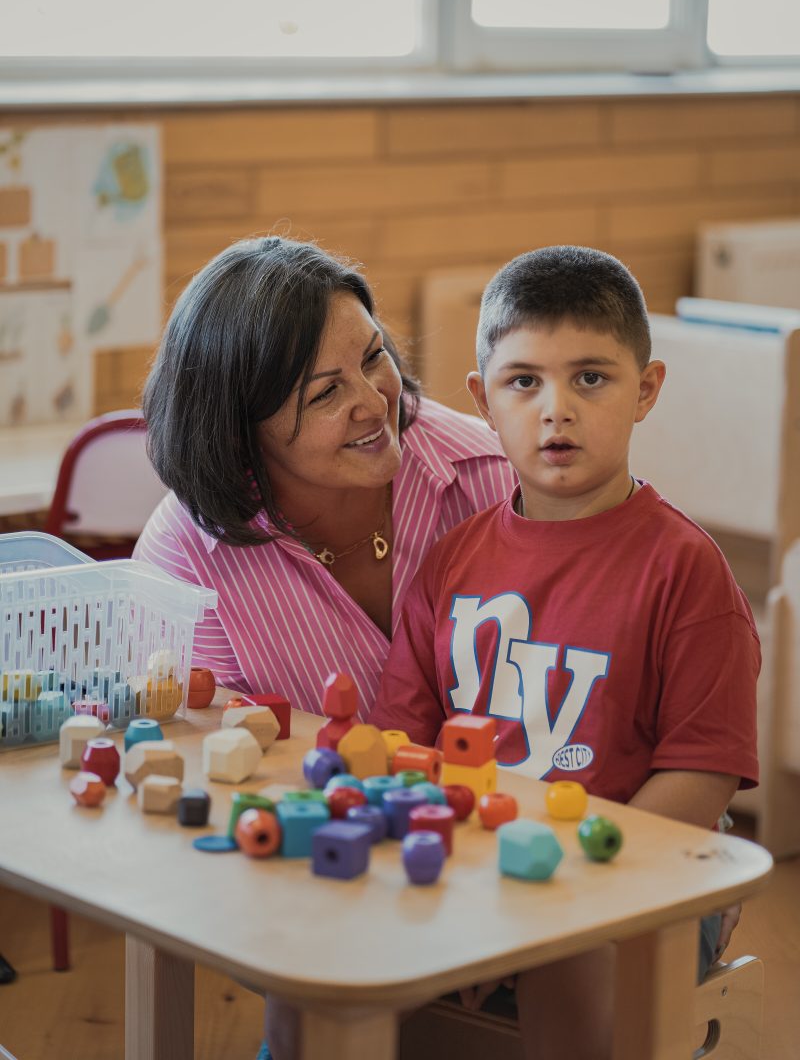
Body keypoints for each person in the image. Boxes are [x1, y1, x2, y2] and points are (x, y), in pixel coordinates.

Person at [370, 245, 760, 1060]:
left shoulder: (686, 570)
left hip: (627, 885)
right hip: (473, 867)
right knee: (359, 937)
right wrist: (467, 892)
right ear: (483, 399)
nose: (556, 410)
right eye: (524, 382)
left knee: (565, 957)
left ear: (645, 390)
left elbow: (701, 775)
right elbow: (402, 747)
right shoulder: (449, 563)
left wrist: (544, 894)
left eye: (591, 378)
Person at [134, 233, 515, 719]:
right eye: (326, 394)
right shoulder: (185, 560)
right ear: (237, 431)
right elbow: (212, 753)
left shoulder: (493, 476)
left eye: (373, 357)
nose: (376, 403)